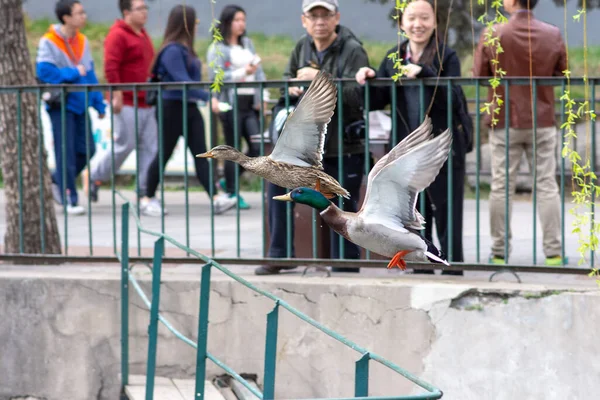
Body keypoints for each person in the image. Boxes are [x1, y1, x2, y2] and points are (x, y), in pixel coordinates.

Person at [255, 0, 370, 275]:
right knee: (276, 190)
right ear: (303, 20)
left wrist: (319, 78)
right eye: (313, 15)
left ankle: (346, 263)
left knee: (342, 205)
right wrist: (292, 87)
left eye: (325, 15)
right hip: (302, 151)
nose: (319, 21)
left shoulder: (353, 50)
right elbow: (285, 81)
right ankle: (280, 256)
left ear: (336, 18)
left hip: (342, 144)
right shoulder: (301, 47)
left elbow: (359, 96)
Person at [355, 0, 469, 275]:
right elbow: (375, 101)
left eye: (424, 18)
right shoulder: (394, 57)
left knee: (446, 208)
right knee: (415, 214)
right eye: (412, 18)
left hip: (440, 149)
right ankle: (422, 265)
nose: (418, 24)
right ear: (402, 24)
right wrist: (368, 78)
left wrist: (426, 74)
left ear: (435, 22)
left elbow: (454, 98)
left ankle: (453, 266)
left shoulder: (446, 55)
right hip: (407, 152)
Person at [473, 0, 566, 266]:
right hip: (542, 119)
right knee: (546, 184)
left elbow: (480, 75)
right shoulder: (553, 33)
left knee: (501, 186)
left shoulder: (493, 33)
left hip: (504, 119)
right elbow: (562, 73)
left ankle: (499, 252)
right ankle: (554, 253)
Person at [140, 4, 237, 217]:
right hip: (171, 107)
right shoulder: (172, 50)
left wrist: (203, 97)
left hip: (189, 107)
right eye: (194, 22)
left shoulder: (184, 49)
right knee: (164, 153)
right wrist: (207, 97)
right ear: (184, 24)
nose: (196, 25)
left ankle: (215, 197)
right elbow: (182, 80)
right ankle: (147, 197)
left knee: (201, 153)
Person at [83, 0, 157, 206]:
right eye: (139, 9)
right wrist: (115, 93)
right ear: (126, 12)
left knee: (151, 148)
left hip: (146, 101)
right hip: (125, 101)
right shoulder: (118, 34)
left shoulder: (143, 34)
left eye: (145, 8)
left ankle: (144, 192)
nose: (144, 13)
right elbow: (111, 66)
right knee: (124, 145)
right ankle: (95, 175)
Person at [36, 0, 106, 215]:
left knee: (88, 150)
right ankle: (70, 198)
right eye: (79, 13)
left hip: (81, 103)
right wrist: (74, 72)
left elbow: (90, 74)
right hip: (62, 105)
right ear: (66, 17)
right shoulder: (48, 41)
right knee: (64, 152)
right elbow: (45, 73)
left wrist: (98, 102)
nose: (84, 16)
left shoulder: (82, 40)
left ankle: (56, 180)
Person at [207, 4, 270, 210]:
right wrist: (243, 72)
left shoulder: (248, 44)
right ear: (227, 22)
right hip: (229, 103)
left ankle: (229, 180)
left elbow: (258, 71)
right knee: (232, 149)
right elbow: (216, 77)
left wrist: (263, 96)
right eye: (237, 20)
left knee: (257, 146)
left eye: (243, 20)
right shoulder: (218, 47)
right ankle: (232, 192)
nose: (241, 24)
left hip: (249, 103)